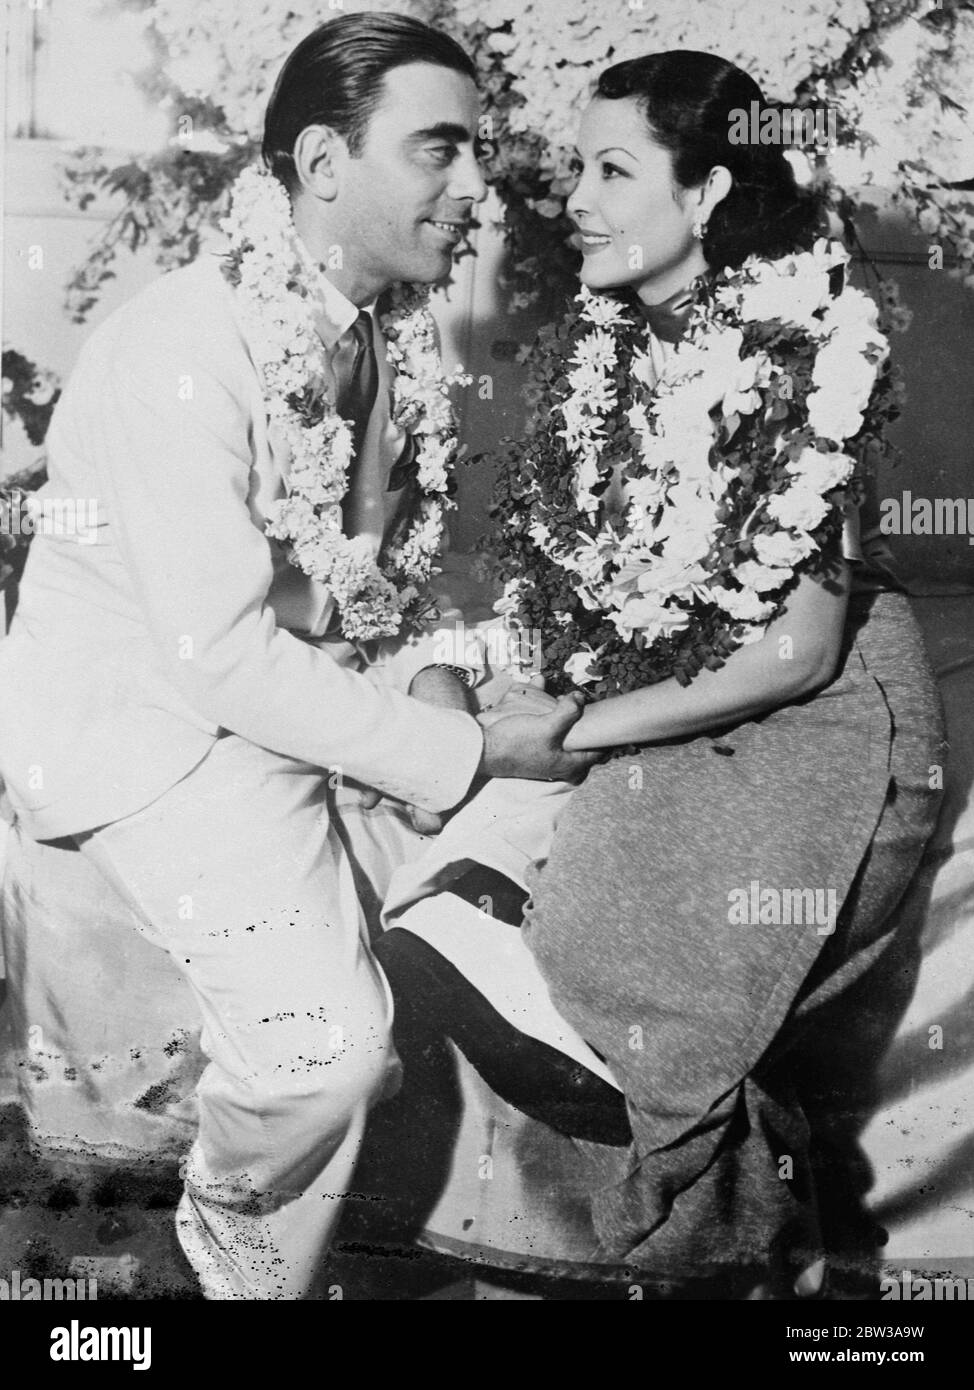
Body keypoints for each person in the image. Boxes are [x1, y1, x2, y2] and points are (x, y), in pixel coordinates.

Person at [0, 12, 594, 1300]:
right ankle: (233, 1265)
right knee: (328, 1050)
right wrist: (462, 746)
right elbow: (217, 657)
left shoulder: (380, 326)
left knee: (592, 745)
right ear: (323, 164)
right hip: (162, 728)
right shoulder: (178, 345)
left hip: (279, 675)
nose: (478, 185)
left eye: (477, 151)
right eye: (440, 149)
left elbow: (360, 573)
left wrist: (433, 670)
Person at [373, 50, 947, 1297]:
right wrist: (488, 683)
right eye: (576, 166)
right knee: (447, 880)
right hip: (671, 690)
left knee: (595, 930)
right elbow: (560, 569)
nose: (572, 197)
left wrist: (579, 724)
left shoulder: (812, 342)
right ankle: (691, 1151)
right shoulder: (608, 343)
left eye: (609, 169)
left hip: (822, 719)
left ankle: (734, 1183)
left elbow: (791, 652)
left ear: (705, 195)